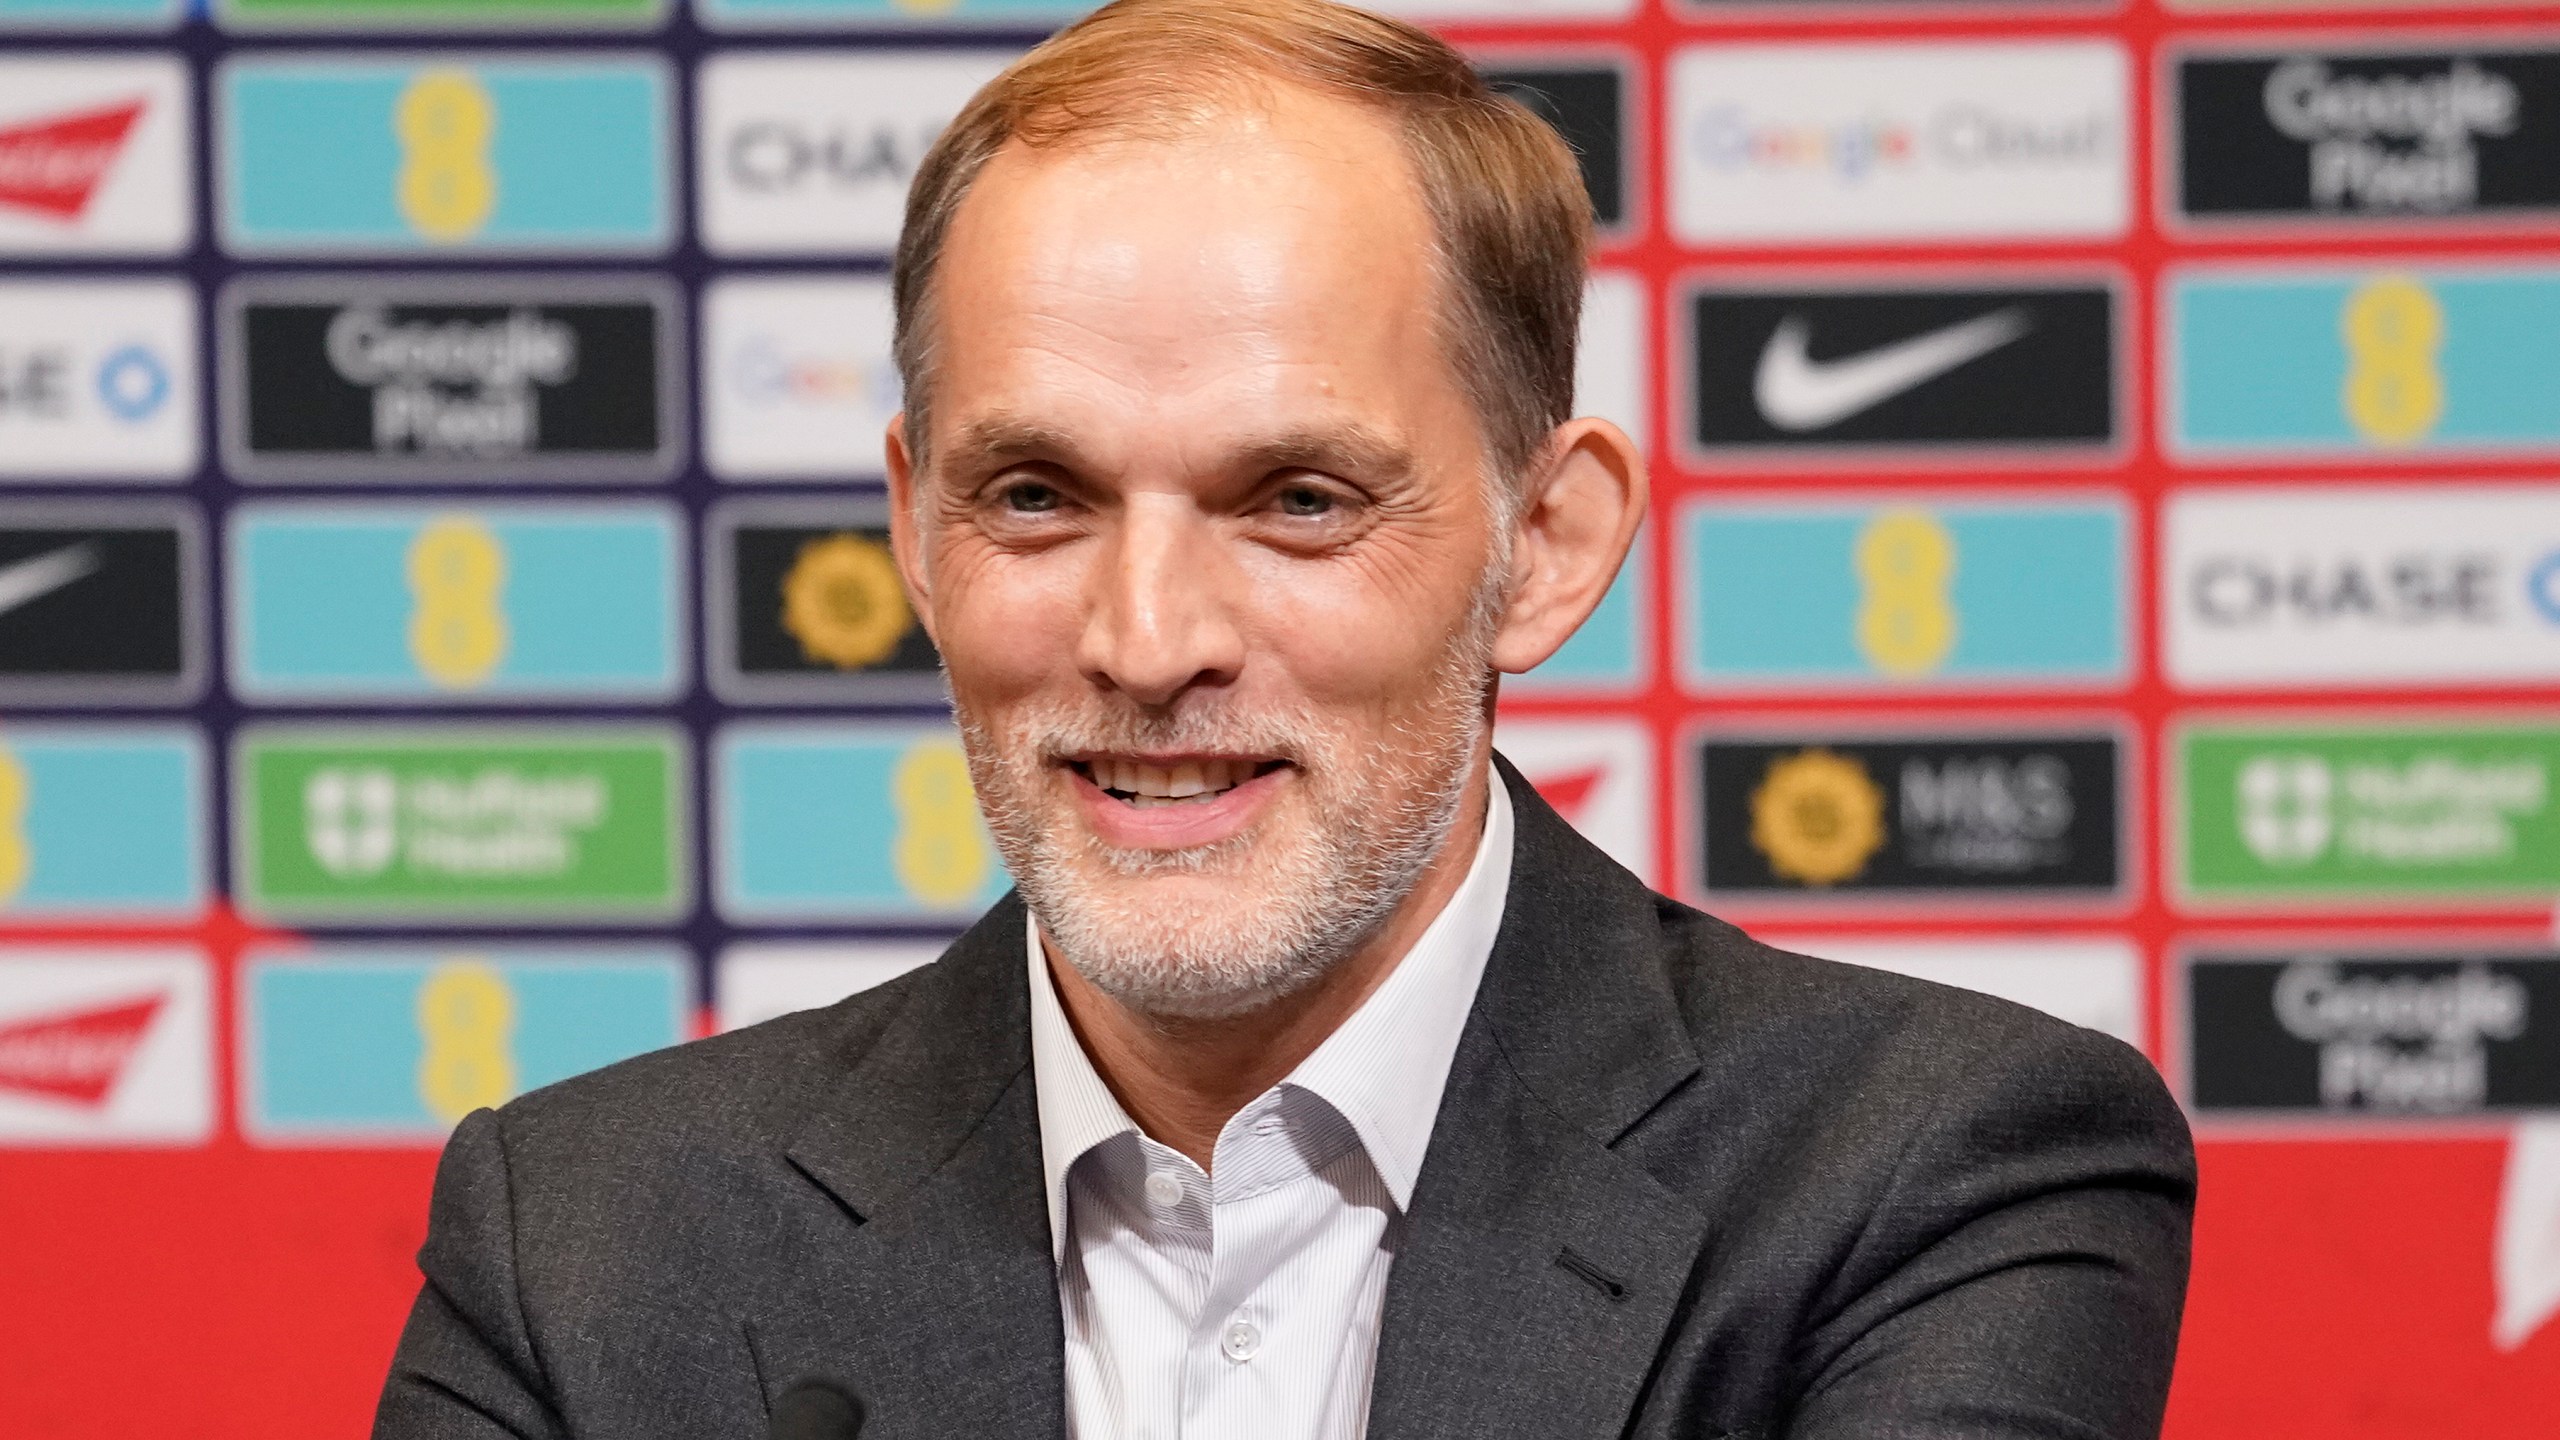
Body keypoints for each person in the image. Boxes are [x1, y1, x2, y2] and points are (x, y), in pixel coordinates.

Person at [373, 2, 2194, 1436]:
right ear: (914, 534)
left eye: (1299, 500)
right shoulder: (586, 1239)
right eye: (1035, 498)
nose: (1148, 639)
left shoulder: (1931, 1176)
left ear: (1544, 549)